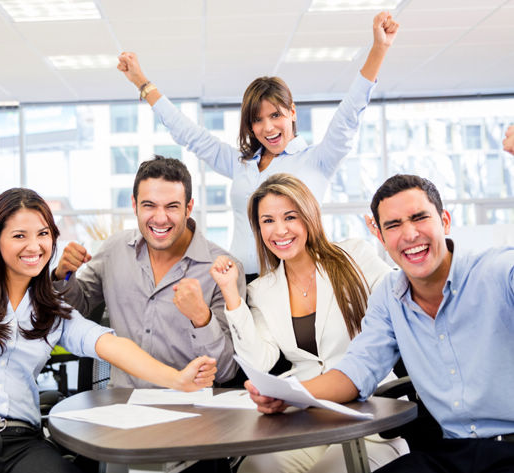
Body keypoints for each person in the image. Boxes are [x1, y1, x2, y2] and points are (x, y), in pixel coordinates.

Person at [248, 174, 514, 473]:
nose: (409, 234)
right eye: (394, 225)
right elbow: (356, 371)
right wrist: (288, 394)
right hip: (449, 454)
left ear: (445, 220)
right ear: (379, 234)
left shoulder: (498, 271)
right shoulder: (389, 295)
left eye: (419, 218)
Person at [0, 187, 217, 473]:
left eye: (43, 234)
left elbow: (111, 345)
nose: (34, 246)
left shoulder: (51, 311)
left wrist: (177, 379)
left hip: (23, 443)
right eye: (19, 236)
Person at [117, 11, 399, 277]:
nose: (268, 128)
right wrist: (142, 83)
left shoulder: (318, 160)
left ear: (292, 112)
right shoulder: (241, 164)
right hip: (242, 281)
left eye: (276, 115)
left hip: (294, 280)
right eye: (257, 119)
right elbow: (188, 133)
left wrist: (379, 48)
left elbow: (349, 114)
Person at [53, 155, 245, 473]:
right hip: (120, 412)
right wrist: (62, 275)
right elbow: (78, 308)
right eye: (149, 205)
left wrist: (201, 317)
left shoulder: (222, 268)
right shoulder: (115, 251)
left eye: (172, 206)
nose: (160, 217)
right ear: (134, 205)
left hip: (193, 417)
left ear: (189, 207)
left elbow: (228, 369)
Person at [209, 173, 407, 473]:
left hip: (369, 416)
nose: (280, 230)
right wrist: (231, 293)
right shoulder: (262, 290)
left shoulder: (353, 256)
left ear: (309, 216)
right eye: (268, 221)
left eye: (290, 217)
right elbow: (259, 361)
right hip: (308, 419)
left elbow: (400, 297)